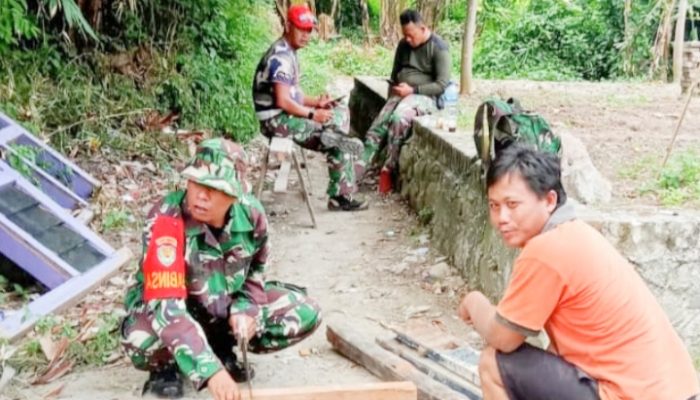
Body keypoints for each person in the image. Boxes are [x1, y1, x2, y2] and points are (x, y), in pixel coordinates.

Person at [458, 145, 700, 400]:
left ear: (549, 201)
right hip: (677, 390)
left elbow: (503, 339)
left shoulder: (546, 250)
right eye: (494, 205)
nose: (501, 217)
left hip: (628, 394)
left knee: (493, 364)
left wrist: (474, 302)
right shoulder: (576, 235)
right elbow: (560, 352)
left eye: (512, 204)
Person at [120, 138, 322, 400]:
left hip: (221, 310)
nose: (201, 196)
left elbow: (255, 276)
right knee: (140, 338)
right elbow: (166, 307)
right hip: (178, 310)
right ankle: (167, 366)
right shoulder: (166, 219)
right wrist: (210, 372)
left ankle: (221, 348)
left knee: (305, 311)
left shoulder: (252, 216)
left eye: (213, 188)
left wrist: (246, 311)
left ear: (234, 194)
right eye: (196, 183)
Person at [252, 4, 368, 211]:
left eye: (309, 31)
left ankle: (332, 135)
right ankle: (340, 195)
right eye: (301, 29)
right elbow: (283, 101)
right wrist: (313, 114)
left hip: (284, 117)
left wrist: (318, 102)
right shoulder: (281, 58)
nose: (306, 35)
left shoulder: (288, 51)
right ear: (288, 25)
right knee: (338, 140)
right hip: (276, 121)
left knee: (339, 111)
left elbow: (294, 95)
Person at [361, 9, 451, 194]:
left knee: (398, 119)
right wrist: (390, 99)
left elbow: (441, 84)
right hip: (400, 94)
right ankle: (359, 169)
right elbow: (394, 75)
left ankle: (389, 169)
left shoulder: (439, 48)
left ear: (423, 28)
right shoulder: (403, 45)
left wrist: (413, 90)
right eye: (405, 36)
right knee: (377, 126)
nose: (408, 40)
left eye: (411, 35)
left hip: (425, 97)